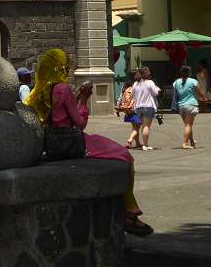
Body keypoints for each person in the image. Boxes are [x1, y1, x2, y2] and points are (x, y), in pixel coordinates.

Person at [25, 49, 153, 236]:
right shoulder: (63, 88)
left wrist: (73, 101)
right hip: (72, 142)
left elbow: (55, 114)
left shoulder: (40, 89)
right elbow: (80, 123)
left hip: (50, 142)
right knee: (124, 156)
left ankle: (128, 211)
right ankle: (129, 212)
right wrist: (84, 100)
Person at [171, 65, 206, 149]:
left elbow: (175, 94)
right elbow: (200, 91)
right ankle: (185, 143)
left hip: (181, 106)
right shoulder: (193, 81)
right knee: (188, 125)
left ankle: (192, 141)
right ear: (189, 73)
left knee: (188, 125)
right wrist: (204, 98)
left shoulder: (176, 82)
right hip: (191, 105)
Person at [132, 67, 160, 150]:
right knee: (146, 126)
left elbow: (133, 94)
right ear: (146, 74)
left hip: (138, 107)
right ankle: (145, 144)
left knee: (138, 127)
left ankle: (139, 143)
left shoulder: (135, 84)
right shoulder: (150, 82)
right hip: (148, 106)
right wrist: (157, 89)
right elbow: (155, 93)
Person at [115, 70, 141, 149]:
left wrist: (118, 106)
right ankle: (130, 140)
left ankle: (137, 143)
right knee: (137, 127)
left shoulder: (125, 85)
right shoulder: (137, 85)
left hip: (127, 109)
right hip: (135, 108)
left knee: (134, 126)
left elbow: (121, 96)